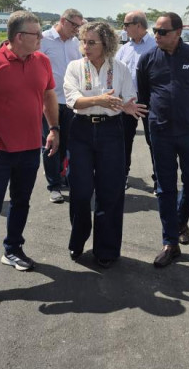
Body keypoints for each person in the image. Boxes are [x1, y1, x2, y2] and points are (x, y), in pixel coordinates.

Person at [0, 11, 60, 293]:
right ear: (19, 37)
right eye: (36, 34)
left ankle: (13, 249)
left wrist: (54, 128)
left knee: (21, 202)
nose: (41, 38)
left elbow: (48, 95)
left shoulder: (42, 61)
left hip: (29, 148)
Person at [63, 21, 147, 267]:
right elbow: (73, 100)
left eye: (91, 42)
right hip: (81, 131)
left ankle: (106, 249)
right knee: (80, 192)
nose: (85, 47)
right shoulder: (75, 67)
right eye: (83, 41)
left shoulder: (119, 68)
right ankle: (78, 239)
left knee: (110, 191)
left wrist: (128, 106)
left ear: (106, 44)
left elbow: (128, 97)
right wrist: (98, 100)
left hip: (111, 131)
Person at [137, 12, 189, 268]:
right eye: (155, 31)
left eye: (162, 32)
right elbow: (144, 96)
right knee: (165, 187)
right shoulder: (148, 59)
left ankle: (180, 221)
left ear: (178, 33)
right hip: (160, 132)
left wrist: (184, 108)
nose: (156, 36)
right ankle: (170, 242)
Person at [40, 8, 84, 203]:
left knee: (67, 143)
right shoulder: (44, 39)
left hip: (71, 101)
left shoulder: (75, 43)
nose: (77, 29)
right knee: (51, 142)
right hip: (49, 101)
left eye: (79, 26)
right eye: (74, 25)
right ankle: (54, 186)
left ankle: (61, 174)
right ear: (63, 21)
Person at [115, 11, 157, 190]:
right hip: (127, 103)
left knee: (154, 142)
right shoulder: (124, 49)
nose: (124, 28)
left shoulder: (155, 46)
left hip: (149, 102)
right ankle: (122, 176)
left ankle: (159, 181)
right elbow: (115, 73)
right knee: (124, 141)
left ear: (138, 25)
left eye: (126, 24)